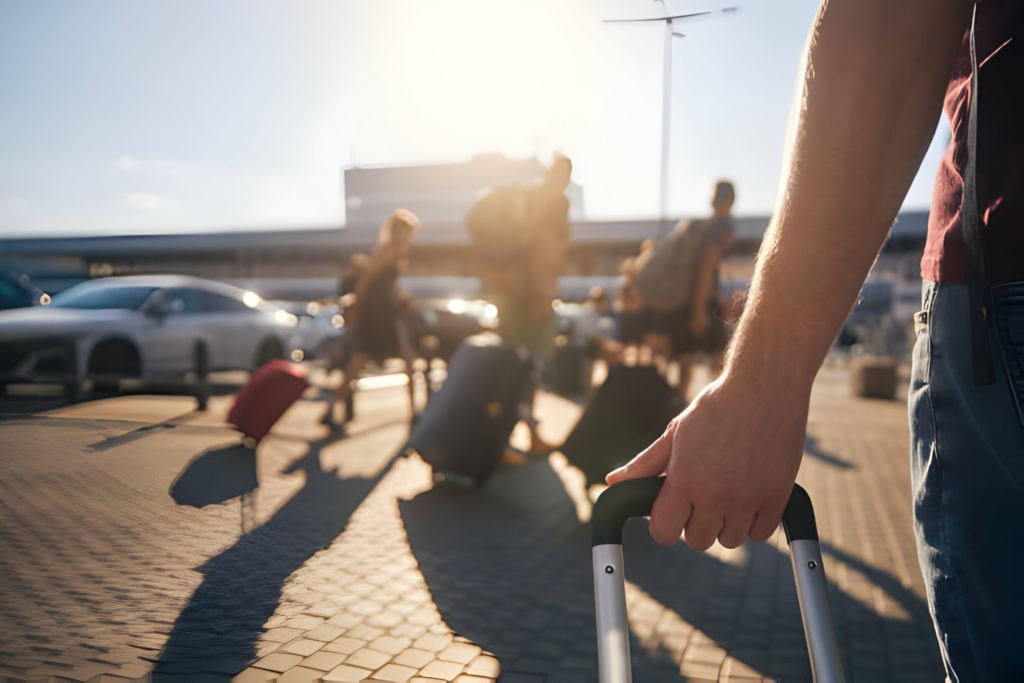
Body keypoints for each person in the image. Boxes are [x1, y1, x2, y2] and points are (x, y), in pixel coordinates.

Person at [607, 2, 1023, 680]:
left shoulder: (700, 232)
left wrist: (761, 382)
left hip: (1004, 271)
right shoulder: (708, 231)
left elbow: (891, 18)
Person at [474, 154, 573, 454]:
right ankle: (513, 438)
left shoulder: (529, 198)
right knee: (528, 369)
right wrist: (541, 297)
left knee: (513, 366)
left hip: (510, 292)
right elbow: (542, 247)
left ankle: (507, 437)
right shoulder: (553, 202)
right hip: (530, 295)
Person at [326, 209, 419, 431]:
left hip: (388, 311)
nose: (407, 236)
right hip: (377, 314)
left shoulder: (397, 252)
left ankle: (415, 410)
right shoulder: (385, 250)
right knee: (362, 360)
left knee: (403, 360)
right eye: (404, 231)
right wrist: (357, 308)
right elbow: (366, 282)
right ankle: (332, 407)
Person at [669, 181, 736, 400]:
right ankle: (718, 409)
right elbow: (707, 267)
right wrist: (700, 311)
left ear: (712, 199)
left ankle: (677, 409)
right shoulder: (722, 227)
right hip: (701, 302)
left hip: (682, 301)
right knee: (720, 357)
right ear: (732, 200)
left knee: (685, 360)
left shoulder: (701, 227)